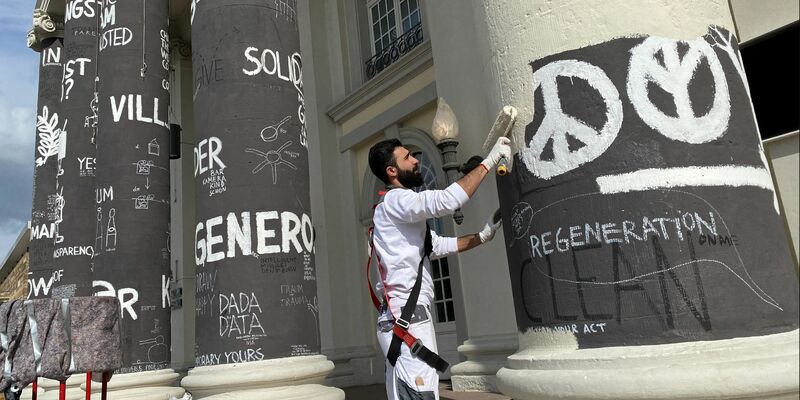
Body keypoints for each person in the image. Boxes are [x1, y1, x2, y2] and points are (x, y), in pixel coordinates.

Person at [368, 136, 512, 400]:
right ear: (392, 171)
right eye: (407, 157)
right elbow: (447, 200)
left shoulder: (396, 214)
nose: (415, 160)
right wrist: (491, 160)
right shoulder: (397, 200)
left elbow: (438, 244)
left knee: (415, 391)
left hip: (403, 318)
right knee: (419, 393)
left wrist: (482, 236)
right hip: (406, 319)